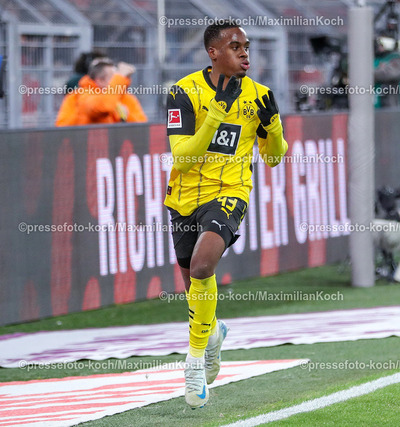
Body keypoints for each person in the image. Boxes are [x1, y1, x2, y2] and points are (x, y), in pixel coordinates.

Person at [164, 21, 288, 409]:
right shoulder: (183, 92)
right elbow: (183, 158)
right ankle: (213, 335)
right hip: (184, 198)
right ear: (213, 53)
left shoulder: (260, 95)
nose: (245, 52)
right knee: (194, 287)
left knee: (203, 265)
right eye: (235, 46)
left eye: (247, 46)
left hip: (230, 193)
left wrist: (274, 127)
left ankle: (194, 362)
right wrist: (217, 112)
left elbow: (274, 158)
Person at [56, 58, 147, 126]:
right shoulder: (82, 95)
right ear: (99, 80)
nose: (117, 81)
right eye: (114, 78)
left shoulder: (126, 97)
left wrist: (126, 117)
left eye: (117, 77)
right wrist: (119, 78)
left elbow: (142, 127)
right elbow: (103, 106)